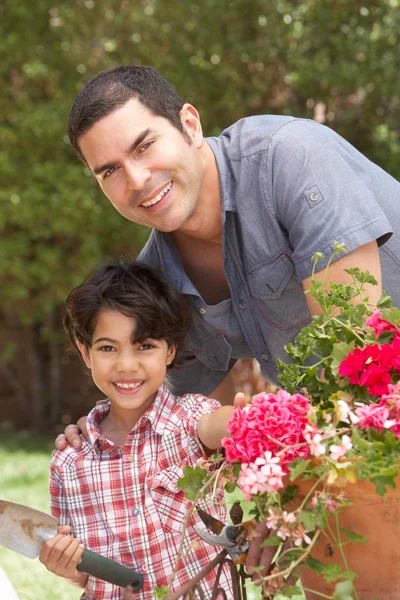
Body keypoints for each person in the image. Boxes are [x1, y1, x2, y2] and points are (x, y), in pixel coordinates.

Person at [57, 64, 400, 574]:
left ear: (190, 124)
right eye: (108, 171)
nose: (135, 180)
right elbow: (175, 420)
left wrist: (293, 492)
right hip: (345, 447)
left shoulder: (291, 159)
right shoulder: (159, 287)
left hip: (370, 420)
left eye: (144, 145)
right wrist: (100, 430)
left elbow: (357, 354)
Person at [40, 261, 239, 600]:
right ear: (85, 353)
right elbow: (84, 574)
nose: (126, 365)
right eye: (107, 348)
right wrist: (67, 566)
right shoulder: (68, 464)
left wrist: (247, 420)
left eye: (144, 345)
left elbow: (218, 424)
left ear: (170, 351)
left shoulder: (190, 419)